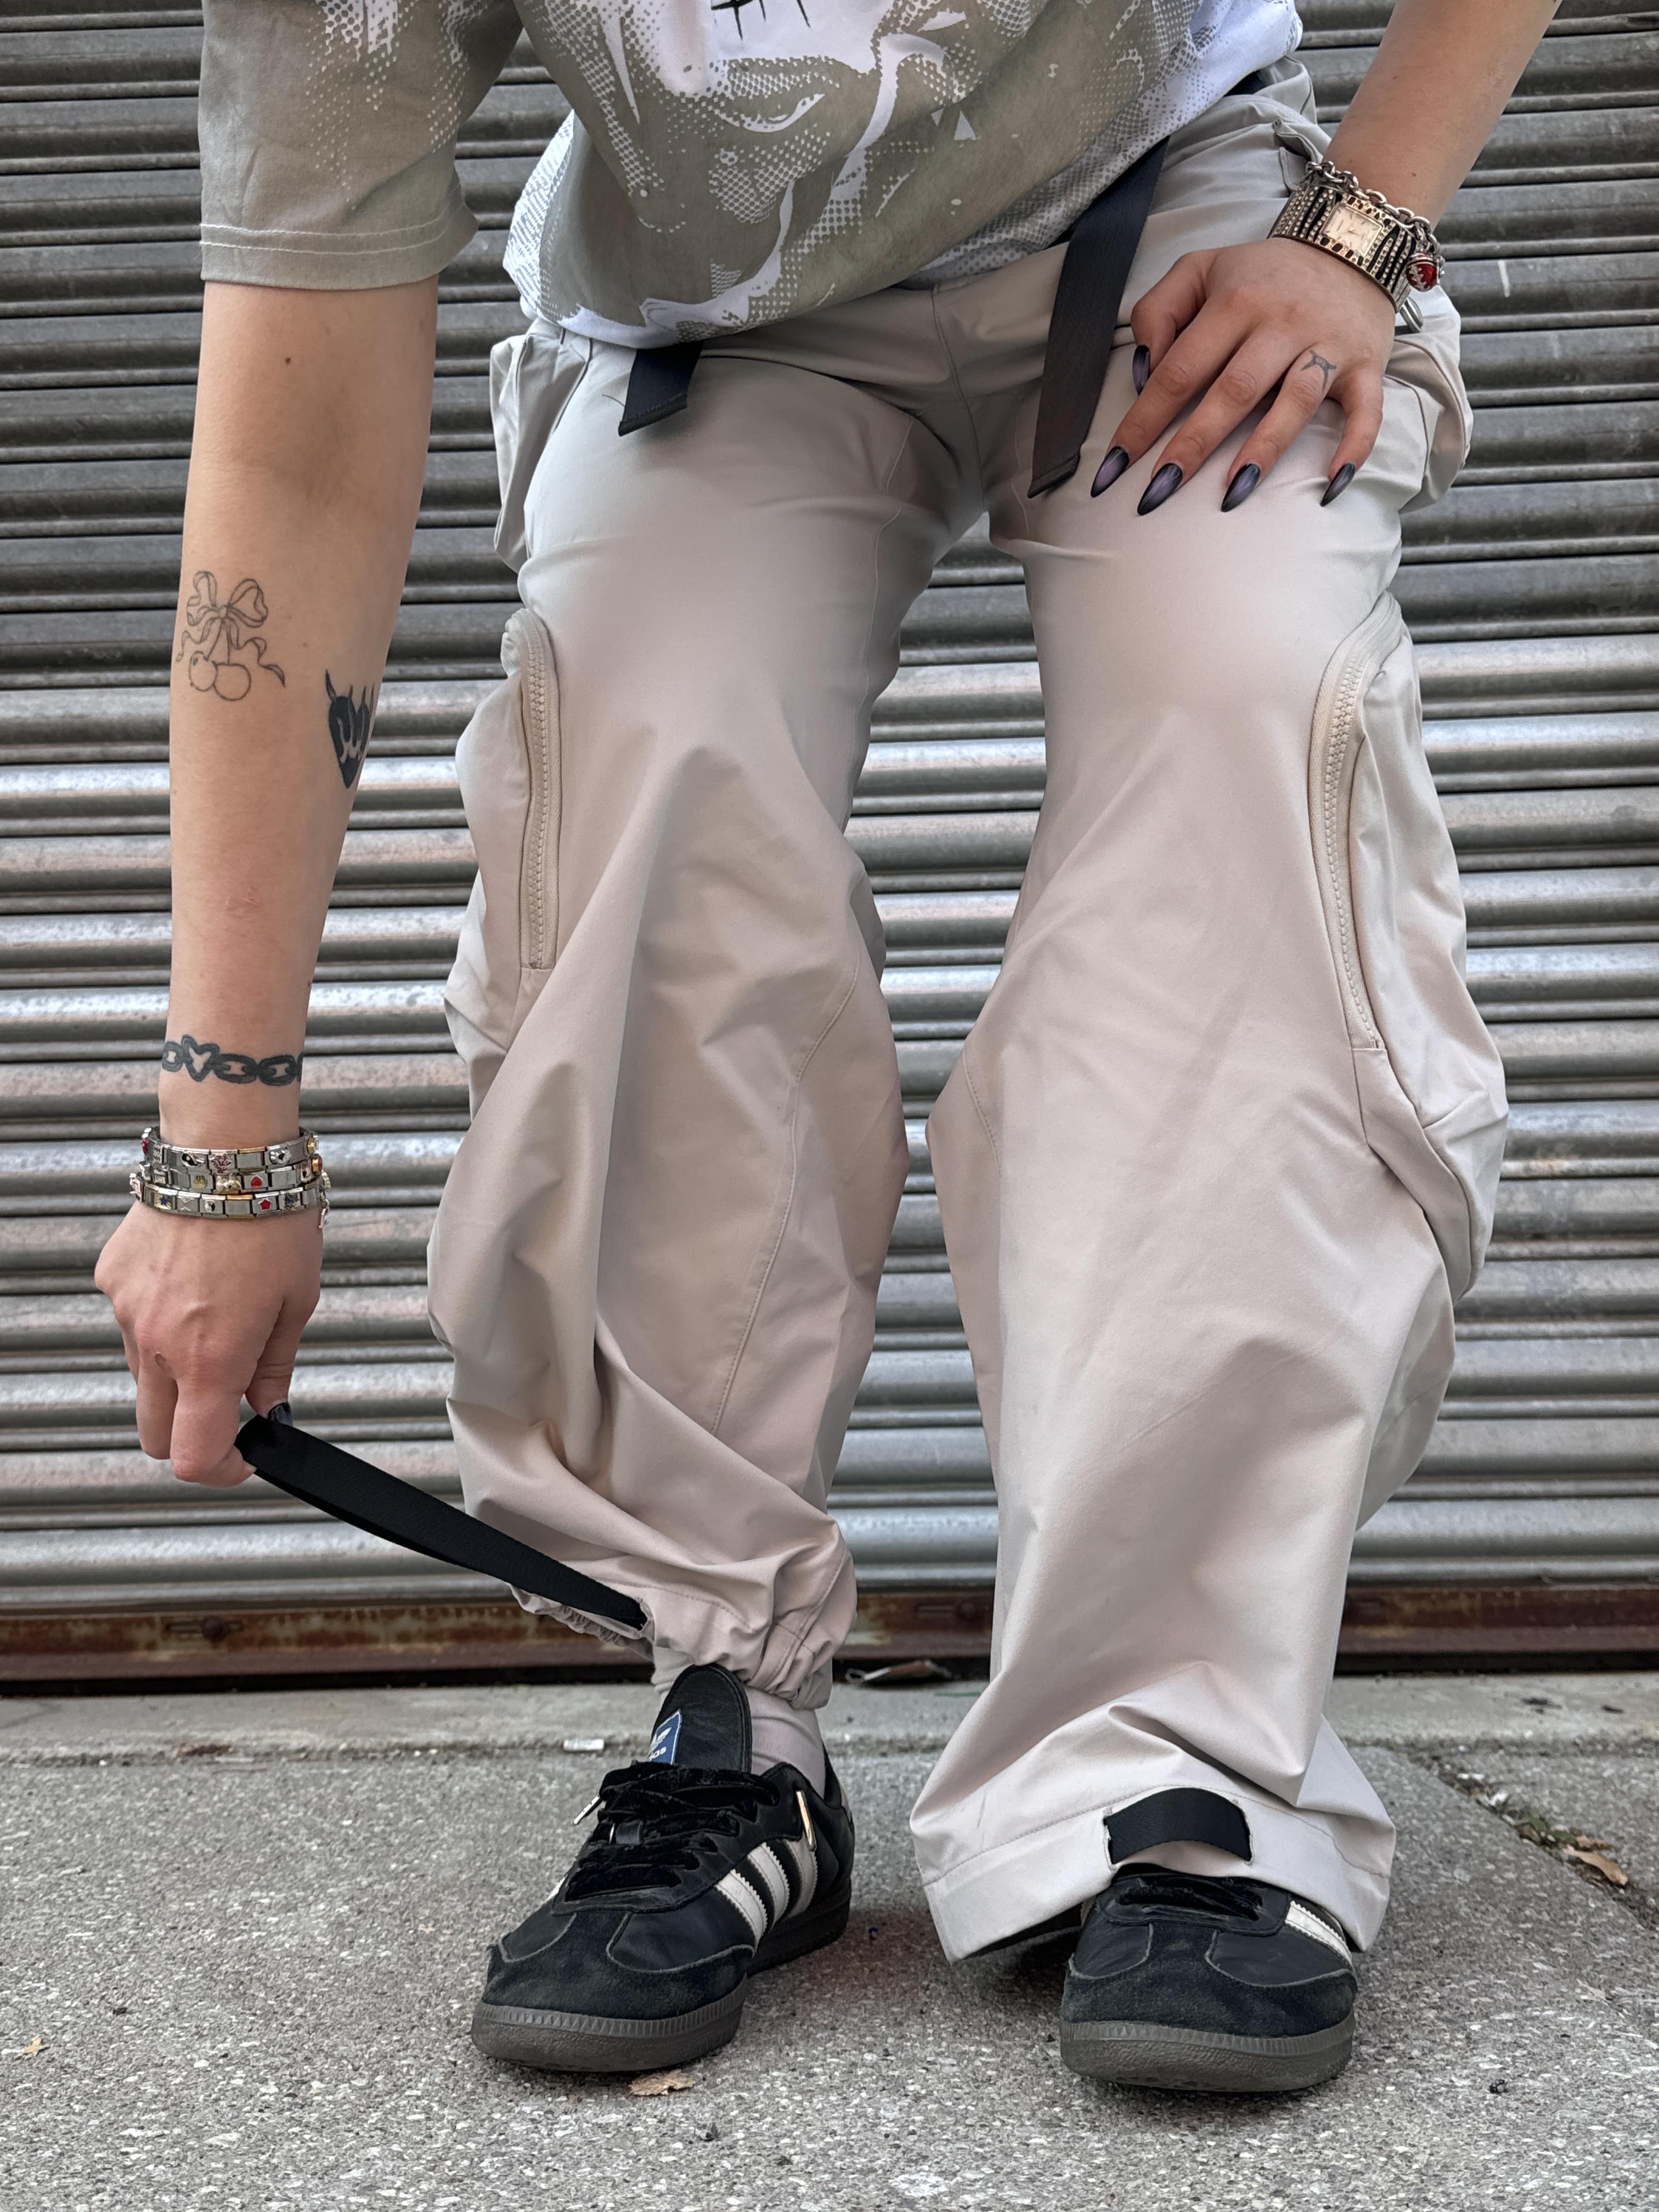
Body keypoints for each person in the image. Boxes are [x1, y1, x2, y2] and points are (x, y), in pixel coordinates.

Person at [97, 0, 1551, 2094]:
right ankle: (726, 1711)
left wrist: (1363, 227)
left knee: (1239, 713)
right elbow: (292, 454)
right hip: (721, 288)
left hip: (1158, 190)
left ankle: (1183, 1753)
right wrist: (218, 1137)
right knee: (643, 759)